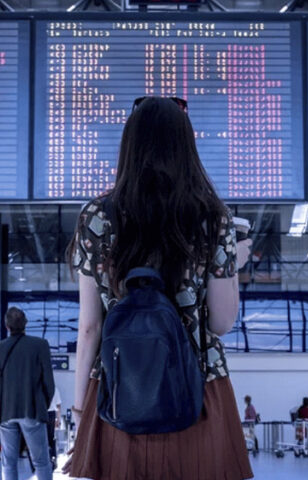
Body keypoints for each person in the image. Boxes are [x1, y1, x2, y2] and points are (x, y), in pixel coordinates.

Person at [64, 96, 253, 480]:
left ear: (129, 146)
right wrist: (232, 267)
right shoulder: (213, 216)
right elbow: (221, 321)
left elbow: (90, 327)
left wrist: (81, 406)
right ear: (186, 147)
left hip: (119, 388)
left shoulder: (97, 216)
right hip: (197, 387)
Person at [0, 306, 55, 480]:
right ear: (25, 324)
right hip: (32, 410)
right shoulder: (40, 345)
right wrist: (41, 405)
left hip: (6, 412)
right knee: (41, 461)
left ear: (6, 326)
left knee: (9, 462)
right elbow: (49, 383)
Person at [47, 386, 62, 471]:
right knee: (51, 438)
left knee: (42, 438)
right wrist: (58, 419)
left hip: (41, 414)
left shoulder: (37, 386)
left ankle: (46, 460)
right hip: (51, 414)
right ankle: (53, 458)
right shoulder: (54, 388)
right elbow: (58, 405)